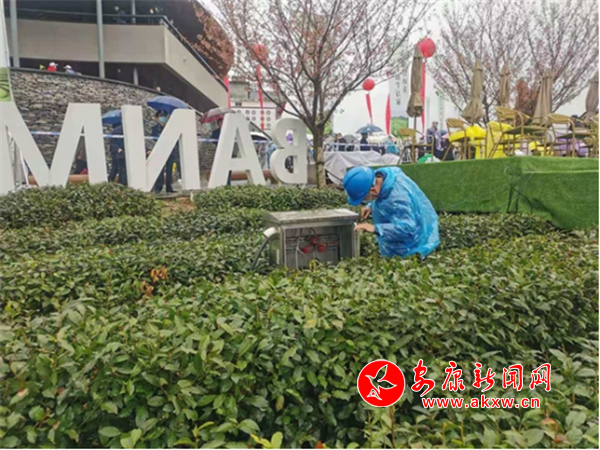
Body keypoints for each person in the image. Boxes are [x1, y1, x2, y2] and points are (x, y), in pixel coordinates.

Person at [343, 166, 439, 259]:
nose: (364, 201)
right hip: (392, 244)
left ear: (372, 189)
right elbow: (378, 194)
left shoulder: (398, 199)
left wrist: (375, 228)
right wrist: (370, 206)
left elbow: (408, 228)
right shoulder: (382, 177)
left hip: (408, 249)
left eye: (364, 198)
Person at [152, 110, 176, 193]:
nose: (163, 118)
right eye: (161, 116)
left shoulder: (170, 127)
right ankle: (158, 187)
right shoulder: (155, 128)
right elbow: (153, 139)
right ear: (157, 118)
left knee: (169, 170)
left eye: (164, 116)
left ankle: (169, 187)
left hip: (170, 151)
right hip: (160, 151)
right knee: (159, 170)